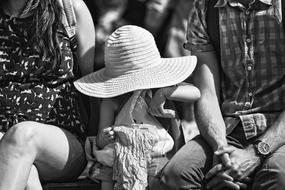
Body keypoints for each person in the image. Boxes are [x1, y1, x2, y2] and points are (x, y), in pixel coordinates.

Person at [156, 0, 285, 190]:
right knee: (176, 175)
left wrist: (256, 152)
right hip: (229, 127)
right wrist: (221, 151)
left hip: (279, 130)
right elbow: (208, 95)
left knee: (278, 175)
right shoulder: (205, 8)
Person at [74, 25, 200, 190]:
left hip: (159, 154)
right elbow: (100, 137)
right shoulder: (112, 102)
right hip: (121, 155)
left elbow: (196, 93)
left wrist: (165, 93)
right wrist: (105, 138)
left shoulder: (161, 87)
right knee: (106, 171)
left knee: (158, 173)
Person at [0, 0, 95, 189]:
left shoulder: (69, 9)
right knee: (25, 174)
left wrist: (97, 143)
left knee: (22, 136)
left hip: (61, 144)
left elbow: (92, 86)